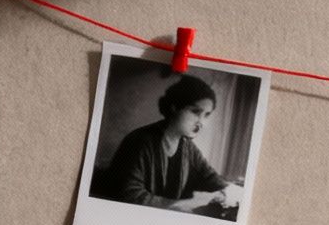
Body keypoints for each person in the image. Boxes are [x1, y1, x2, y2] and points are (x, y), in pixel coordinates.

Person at [98, 73, 243, 217]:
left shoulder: (188, 148)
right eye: (195, 111)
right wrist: (176, 206)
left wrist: (230, 190)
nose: (201, 122)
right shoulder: (140, 141)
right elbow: (129, 194)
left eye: (206, 115)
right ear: (175, 107)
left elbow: (209, 176)